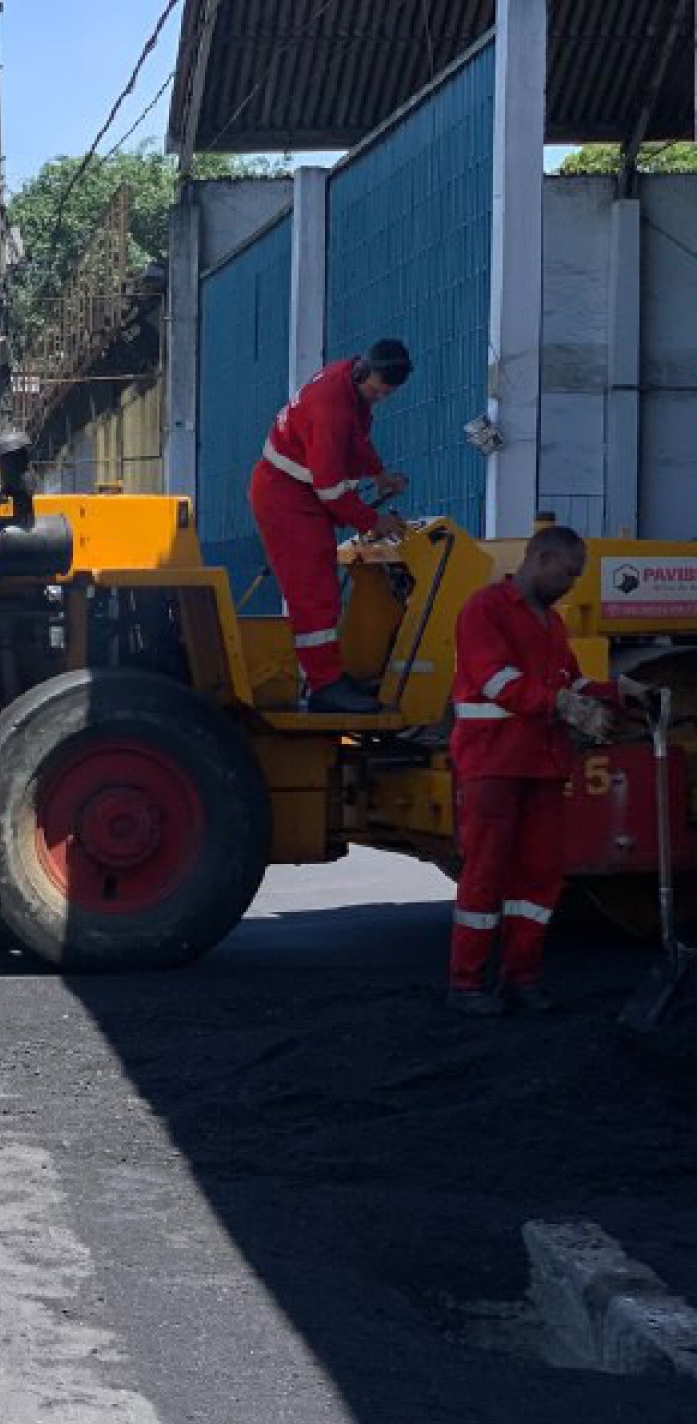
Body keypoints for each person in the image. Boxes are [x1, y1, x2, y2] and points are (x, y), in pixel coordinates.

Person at [445, 526, 649, 1015]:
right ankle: (466, 986)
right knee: (485, 875)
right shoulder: (484, 609)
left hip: (542, 765)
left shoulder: (552, 624)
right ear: (541, 557)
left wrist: (617, 689)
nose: (571, 585)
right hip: (494, 765)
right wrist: (562, 704)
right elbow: (498, 681)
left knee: (539, 878)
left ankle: (522, 977)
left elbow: (572, 681)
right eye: (568, 573)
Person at [252, 339, 415, 714]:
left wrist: (378, 473)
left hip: (295, 494)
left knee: (319, 588)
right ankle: (326, 686)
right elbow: (330, 488)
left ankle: (328, 676)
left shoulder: (346, 382)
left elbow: (355, 439)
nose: (379, 398)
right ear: (362, 372)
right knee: (315, 592)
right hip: (287, 500)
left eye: (386, 394)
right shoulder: (330, 409)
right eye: (376, 390)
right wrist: (374, 521)